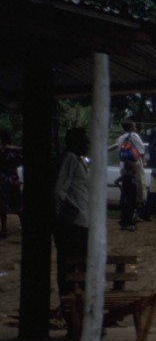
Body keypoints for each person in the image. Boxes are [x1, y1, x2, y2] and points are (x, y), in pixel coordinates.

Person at [53, 127, 89, 304]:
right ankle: (70, 310)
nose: (88, 143)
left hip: (81, 222)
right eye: (84, 139)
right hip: (73, 224)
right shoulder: (69, 159)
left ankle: (77, 310)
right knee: (71, 266)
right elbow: (59, 190)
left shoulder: (78, 160)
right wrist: (71, 210)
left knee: (80, 266)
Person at [115, 121, 146, 209]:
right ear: (131, 128)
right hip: (134, 164)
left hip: (123, 164)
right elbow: (142, 150)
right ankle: (137, 206)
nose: (135, 128)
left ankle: (124, 207)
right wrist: (142, 161)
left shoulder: (120, 138)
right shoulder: (134, 135)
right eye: (134, 126)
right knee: (137, 186)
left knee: (126, 186)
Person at [0, 129, 21, 238]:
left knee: (3, 206)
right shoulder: (15, 150)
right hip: (13, 180)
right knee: (17, 205)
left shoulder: (3, 150)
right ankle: (23, 226)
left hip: (4, 181)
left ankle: (4, 230)